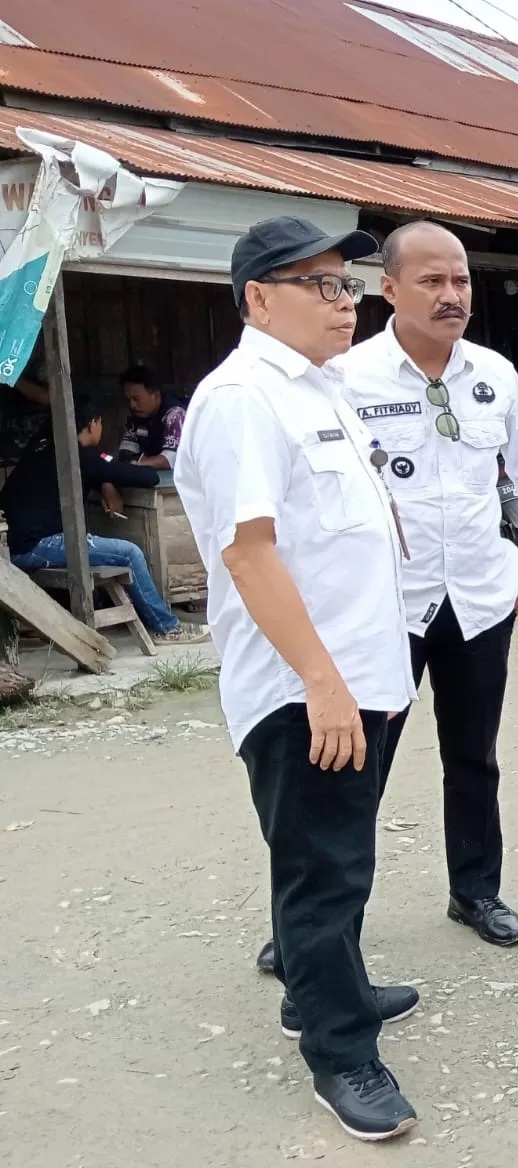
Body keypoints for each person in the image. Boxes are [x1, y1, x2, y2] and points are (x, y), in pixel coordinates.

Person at [176, 216, 420, 1141]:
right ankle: (340, 1052)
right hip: (304, 687)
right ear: (258, 298)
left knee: (337, 854)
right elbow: (249, 553)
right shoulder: (243, 398)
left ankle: (325, 989)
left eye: (347, 284)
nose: (344, 300)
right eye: (320, 284)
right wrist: (320, 680)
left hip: (360, 674)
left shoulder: (316, 389)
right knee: (322, 869)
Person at [312, 220, 518, 958]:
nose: (452, 295)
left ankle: (476, 890)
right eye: (432, 281)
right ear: (388, 289)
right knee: (358, 768)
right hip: (385, 607)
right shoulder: (346, 378)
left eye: (460, 281)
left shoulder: (494, 374)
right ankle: (319, 922)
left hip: (480, 599)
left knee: (474, 756)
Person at [2, 411, 206, 644]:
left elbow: (99, 465)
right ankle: (167, 628)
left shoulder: (41, 447)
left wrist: (104, 480)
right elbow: (147, 478)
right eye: (100, 422)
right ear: (92, 424)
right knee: (130, 553)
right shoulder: (77, 453)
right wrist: (108, 475)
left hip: (9, 546)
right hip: (35, 546)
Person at [115, 366, 183, 475]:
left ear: (155, 395)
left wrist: (136, 464)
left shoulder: (174, 414)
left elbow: (169, 460)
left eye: (136, 399)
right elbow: (125, 454)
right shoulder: (136, 417)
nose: (132, 405)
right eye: (128, 400)